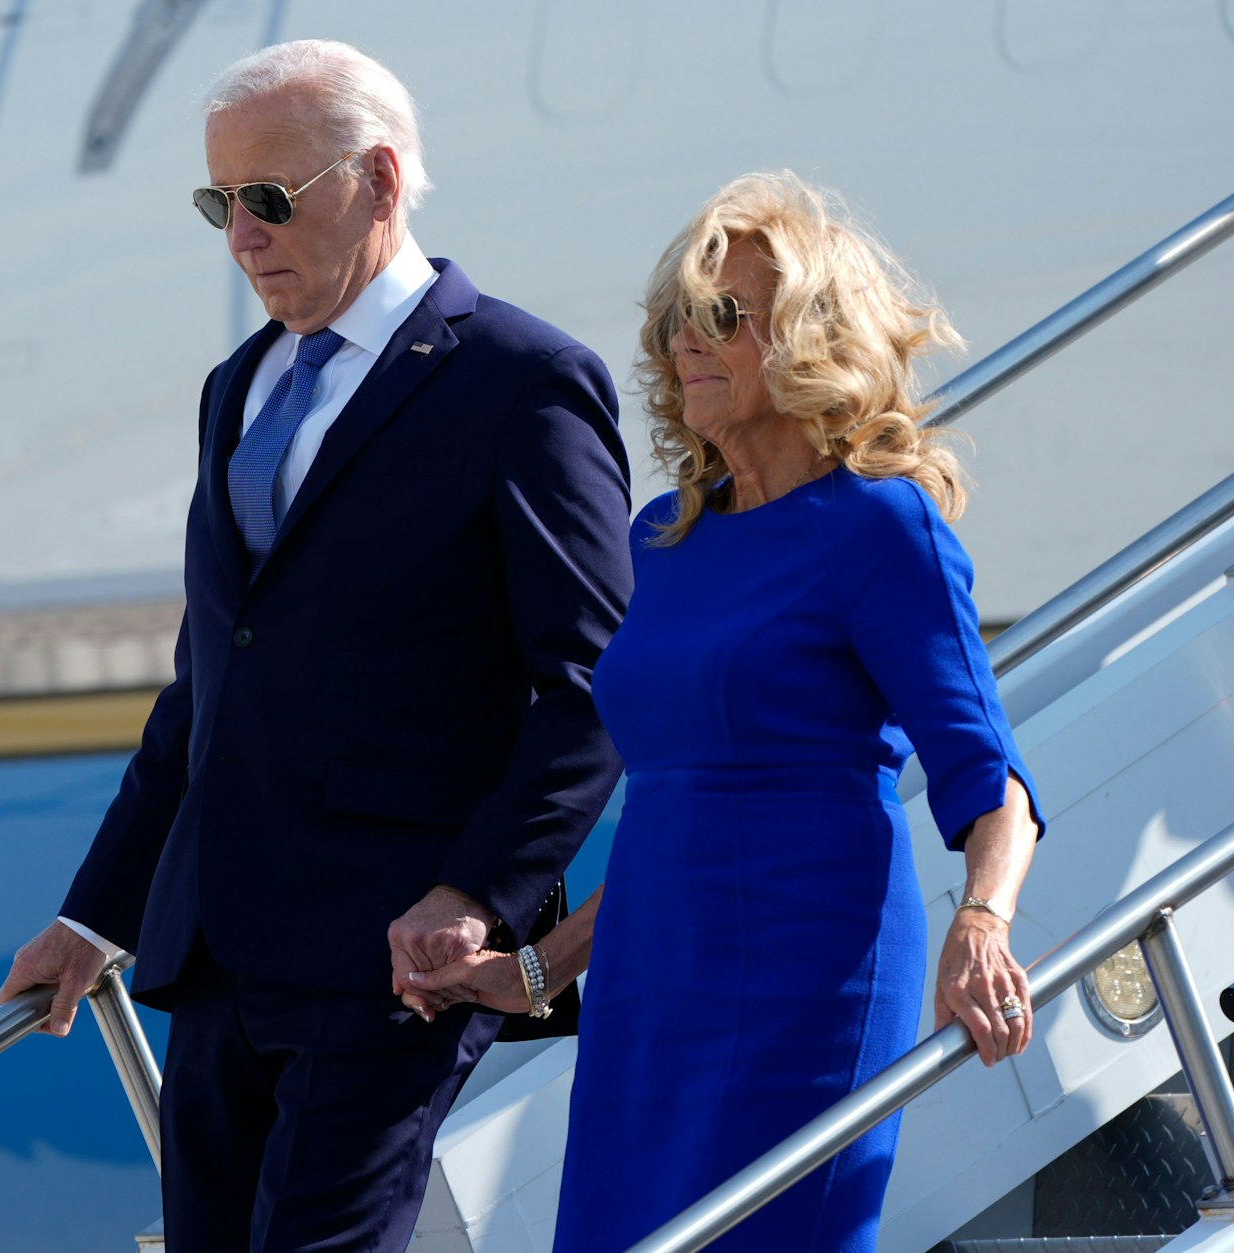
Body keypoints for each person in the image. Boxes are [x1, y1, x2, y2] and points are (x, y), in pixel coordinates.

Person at [0, 39, 632, 1251]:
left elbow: (592, 681)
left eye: (271, 199)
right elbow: (209, 686)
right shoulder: (237, 387)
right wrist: (94, 917)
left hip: (395, 955)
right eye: (217, 203)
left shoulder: (519, 380)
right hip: (220, 945)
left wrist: (477, 893)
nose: (241, 235)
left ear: (381, 182)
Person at [408, 171, 1045, 1251]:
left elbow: (991, 784)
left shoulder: (877, 527)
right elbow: (675, 817)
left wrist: (980, 922)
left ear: (805, 338)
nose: (677, 348)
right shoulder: (664, 536)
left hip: (808, 972)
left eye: (714, 319)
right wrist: (528, 972)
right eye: (668, 323)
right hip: (650, 990)